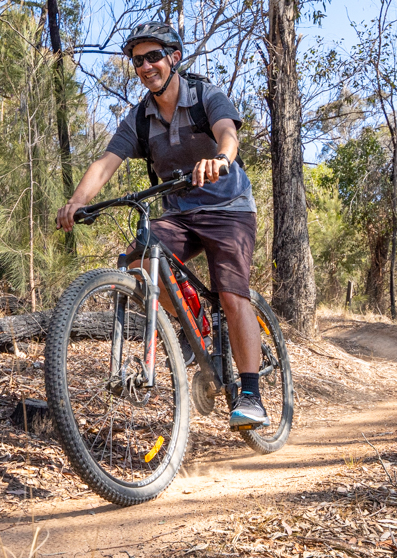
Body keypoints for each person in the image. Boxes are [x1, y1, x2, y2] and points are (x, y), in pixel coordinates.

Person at [55, 21, 267, 429]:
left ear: (174, 57)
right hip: (180, 213)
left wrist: (220, 159)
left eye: (154, 56)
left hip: (229, 208)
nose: (146, 66)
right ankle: (193, 329)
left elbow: (228, 134)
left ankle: (251, 394)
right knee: (138, 261)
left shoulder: (205, 95)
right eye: (138, 61)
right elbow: (106, 162)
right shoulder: (140, 118)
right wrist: (77, 202)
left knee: (231, 293)